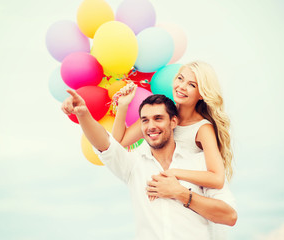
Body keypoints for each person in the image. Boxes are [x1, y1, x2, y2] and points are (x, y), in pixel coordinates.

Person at [61, 92, 237, 240]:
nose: (151, 126)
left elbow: (229, 216)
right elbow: (105, 144)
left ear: (173, 122)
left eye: (158, 118)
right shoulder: (133, 164)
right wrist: (83, 114)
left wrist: (181, 193)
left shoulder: (199, 163)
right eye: (145, 120)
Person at [112, 61, 233, 191]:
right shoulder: (161, 113)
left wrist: (173, 172)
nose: (181, 86)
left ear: (202, 94)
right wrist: (123, 105)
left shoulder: (202, 129)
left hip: (183, 199)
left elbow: (217, 179)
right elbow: (118, 142)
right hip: (155, 193)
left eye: (191, 85)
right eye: (180, 78)